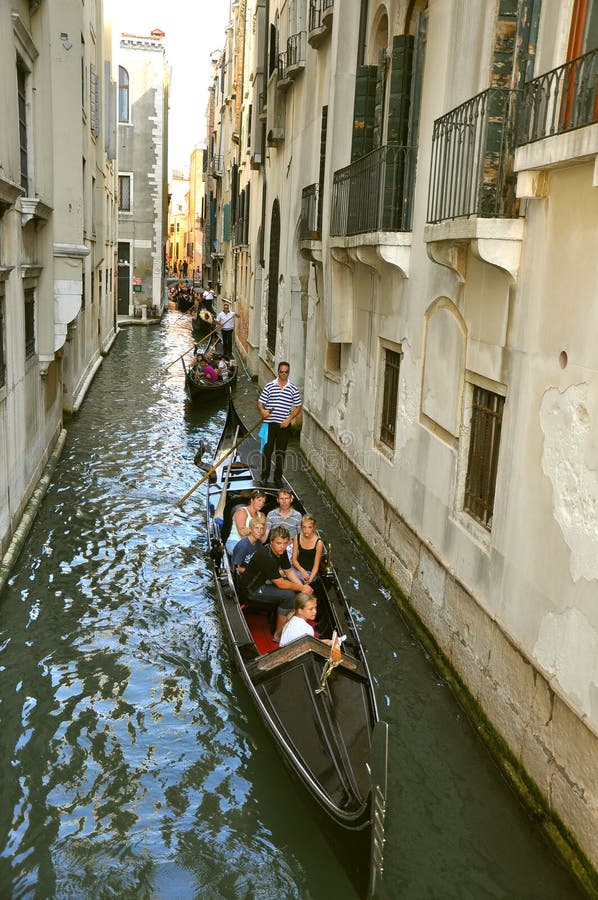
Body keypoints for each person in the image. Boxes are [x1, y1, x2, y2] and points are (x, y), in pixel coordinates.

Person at [238, 525, 313, 641]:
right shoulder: (266, 557)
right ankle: (278, 635)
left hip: (264, 583)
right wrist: (301, 588)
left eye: (284, 543)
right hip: (251, 590)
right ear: (271, 542)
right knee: (289, 596)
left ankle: (284, 620)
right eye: (278, 543)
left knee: (295, 588)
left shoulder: (281, 551)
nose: (282, 547)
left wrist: (302, 586)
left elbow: (288, 570)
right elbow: (280, 583)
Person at [257, 361, 302, 487]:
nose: (283, 374)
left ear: (289, 372)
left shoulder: (293, 388)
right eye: (281, 371)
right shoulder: (269, 386)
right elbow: (260, 403)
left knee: (280, 453)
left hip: (284, 426)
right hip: (269, 424)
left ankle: (277, 478)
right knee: (267, 451)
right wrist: (263, 411)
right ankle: (264, 476)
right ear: (278, 372)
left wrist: (289, 419)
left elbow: (298, 407)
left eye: (286, 372)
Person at [225, 490, 267, 554]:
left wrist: (252, 531)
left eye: (263, 502)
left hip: (253, 544)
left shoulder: (262, 515)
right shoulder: (242, 511)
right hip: (235, 541)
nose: (261, 504)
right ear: (252, 500)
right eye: (259, 500)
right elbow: (242, 532)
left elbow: (262, 533)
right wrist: (255, 530)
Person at [291, 515, 323, 585]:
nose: (306, 530)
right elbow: (294, 559)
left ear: (314, 528)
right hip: (297, 567)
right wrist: (302, 571)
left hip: (310, 572)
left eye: (309, 527)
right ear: (301, 527)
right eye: (304, 527)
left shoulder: (319, 543)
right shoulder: (297, 538)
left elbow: (316, 566)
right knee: (284, 572)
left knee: (293, 579)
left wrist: (310, 579)